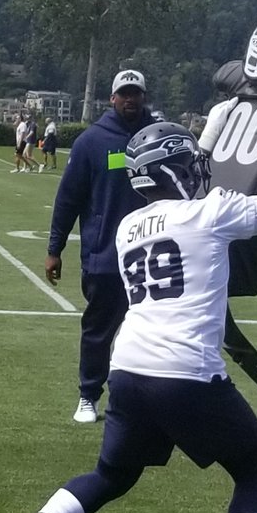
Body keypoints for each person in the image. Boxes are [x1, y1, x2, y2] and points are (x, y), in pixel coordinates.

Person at [0, 100, 257, 513]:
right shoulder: (209, 213)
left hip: (128, 369)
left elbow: (186, 187)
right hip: (185, 372)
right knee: (255, 470)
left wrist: (209, 128)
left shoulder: (130, 226)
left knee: (112, 474)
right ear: (176, 171)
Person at [45, 68, 153, 423]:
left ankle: (150, 402)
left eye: (135, 93)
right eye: (124, 93)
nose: (130, 99)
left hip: (152, 258)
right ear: (112, 98)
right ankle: (88, 395)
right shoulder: (92, 141)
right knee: (98, 332)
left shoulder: (160, 137)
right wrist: (54, 248)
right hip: (106, 257)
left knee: (155, 334)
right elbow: (68, 200)